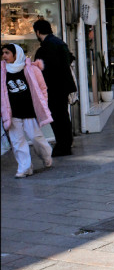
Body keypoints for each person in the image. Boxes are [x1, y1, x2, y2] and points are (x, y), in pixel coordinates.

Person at [1, 44, 53, 178]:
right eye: (3, 53)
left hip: (29, 111)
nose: (4, 56)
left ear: (15, 54)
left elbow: (42, 88)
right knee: (17, 142)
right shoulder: (2, 71)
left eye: (7, 53)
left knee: (36, 137)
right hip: (12, 113)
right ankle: (24, 168)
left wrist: (42, 105)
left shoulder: (31, 69)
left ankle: (46, 156)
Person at [33, 19, 76, 156]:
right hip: (63, 86)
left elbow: (44, 70)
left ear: (38, 32)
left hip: (53, 87)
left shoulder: (45, 47)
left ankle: (63, 145)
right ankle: (66, 143)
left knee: (57, 117)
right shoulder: (59, 42)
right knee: (63, 115)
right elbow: (70, 58)